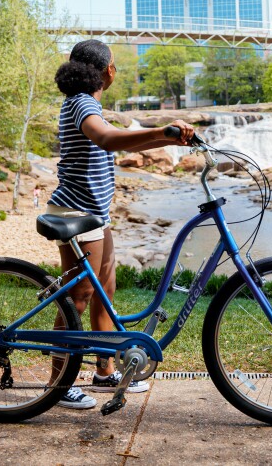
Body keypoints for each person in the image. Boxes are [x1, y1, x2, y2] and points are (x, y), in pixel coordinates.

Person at [46, 39, 194, 409]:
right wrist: (162, 132)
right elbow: (107, 138)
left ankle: (104, 369)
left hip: (93, 214)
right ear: (107, 72)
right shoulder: (82, 105)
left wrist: (164, 137)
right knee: (76, 298)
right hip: (77, 214)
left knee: (104, 292)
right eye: (115, 65)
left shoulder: (87, 103)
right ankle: (58, 383)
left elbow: (114, 139)